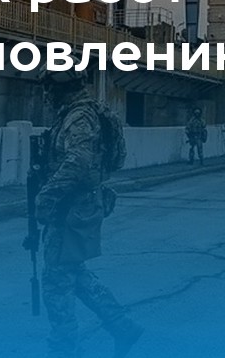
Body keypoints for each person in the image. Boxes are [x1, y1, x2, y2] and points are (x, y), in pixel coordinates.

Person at [35, 69, 142, 358]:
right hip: (80, 206)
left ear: (62, 88)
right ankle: (123, 327)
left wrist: (47, 195)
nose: (46, 95)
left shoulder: (78, 117)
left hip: (70, 208)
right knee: (75, 274)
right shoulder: (85, 111)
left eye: (49, 88)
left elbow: (79, 161)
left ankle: (63, 349)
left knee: (56, 283)